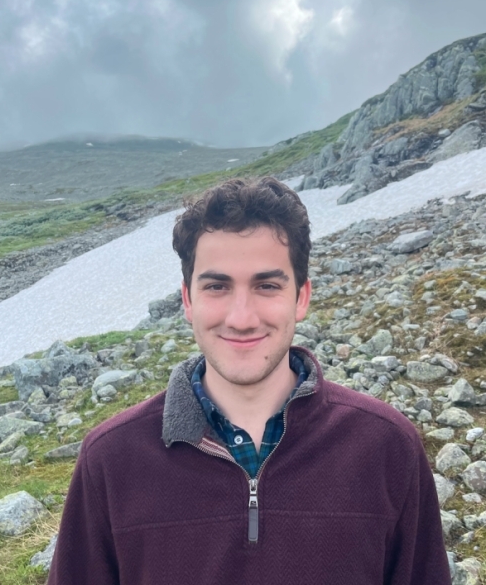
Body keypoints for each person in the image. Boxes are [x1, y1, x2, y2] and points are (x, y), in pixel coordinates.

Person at [47, 177, 451, 584]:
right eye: (217, 286)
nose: (241, 318)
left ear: (302, 297)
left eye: (267, 286)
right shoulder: (111, 459)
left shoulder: (387, 447)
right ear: (188, 300)